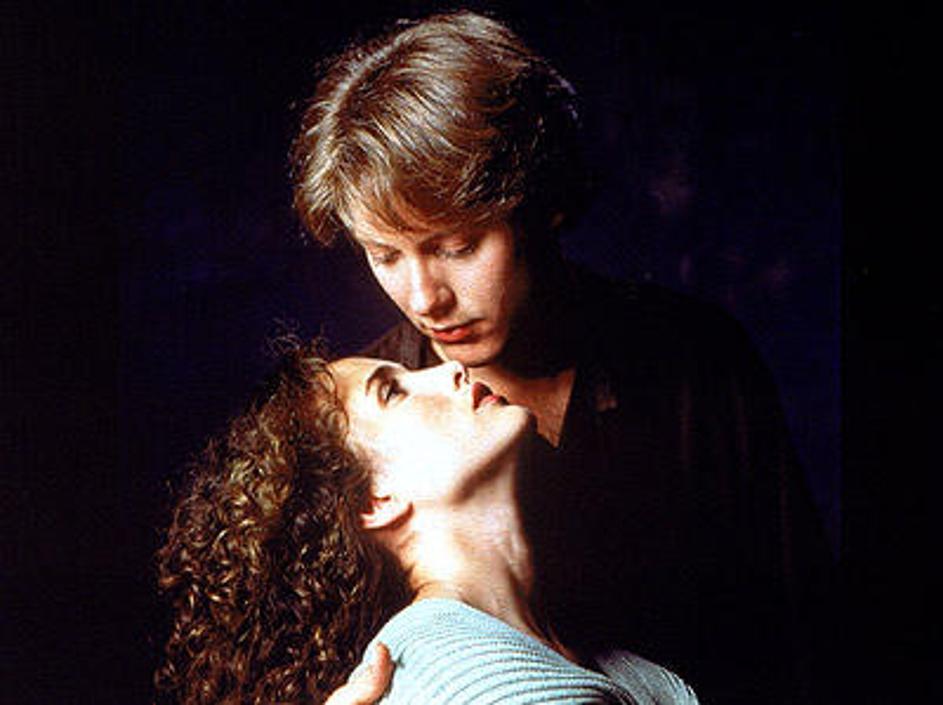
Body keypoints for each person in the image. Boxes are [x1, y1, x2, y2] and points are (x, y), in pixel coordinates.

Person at [292, 10, 835, 705]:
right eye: (385, 255)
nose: (425, 298)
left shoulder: (696, 363)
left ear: (540, 205)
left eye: (457, 246)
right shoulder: (358, 438)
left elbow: (805, 644)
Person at [155, 340, 699, 704]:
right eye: (393, 391)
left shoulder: (611, 662)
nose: (452, 368)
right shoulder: (450, 671)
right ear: (375, 501)